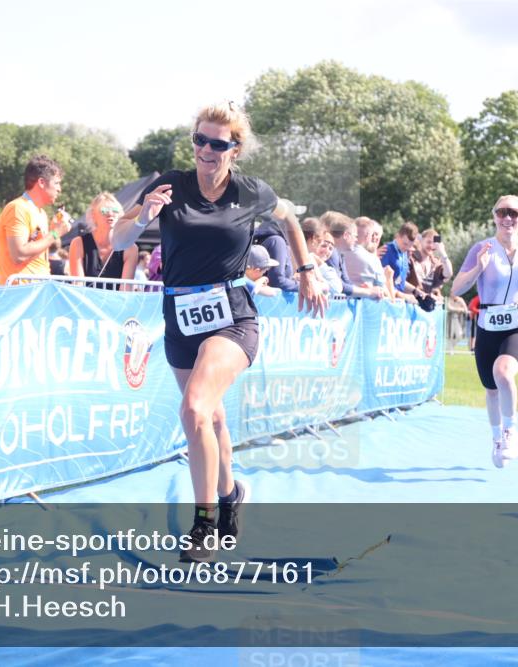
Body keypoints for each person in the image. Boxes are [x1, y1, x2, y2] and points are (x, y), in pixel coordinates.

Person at [111, 102, 326, 562]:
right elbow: (117, 240)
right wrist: (145, 214)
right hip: (180, 318)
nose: (206, 150)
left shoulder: (252, 193)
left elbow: (289, 219)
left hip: (232, 316)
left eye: (217, 144)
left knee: (194, 408)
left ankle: (204, 523)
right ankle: (230, 495)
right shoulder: (168, 185)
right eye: (200, 140)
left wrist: (306, 269)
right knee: (213, 418)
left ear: (235, 149)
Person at [450, 195, 518, 469]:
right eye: (502, 212)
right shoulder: (481, 248)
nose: (507, 218)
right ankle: (497, 438)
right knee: (492, 390)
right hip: (487, 328)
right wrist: (478, 268)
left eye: (514, 213)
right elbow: (456, 288)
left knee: (503, 372)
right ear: (494, 215)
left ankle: (511, 431)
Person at [0, 155, 72, 285]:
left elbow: (37, 250)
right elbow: (19, 255)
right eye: (57, 183)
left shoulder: (41, 213)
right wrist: (55, 233)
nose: (60, 189)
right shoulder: (18, 208)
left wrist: (53, 230)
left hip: (37, 290)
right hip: (20, 293)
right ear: (41, 182)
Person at [68, 193, 138, 290]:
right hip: (85, 301)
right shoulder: (78, 243)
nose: (110, 214)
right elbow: (78, 285)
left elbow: (125, 290)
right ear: (93, 215)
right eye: (104, 211)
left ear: (120, 215)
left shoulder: (130, 248)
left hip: (116, 302)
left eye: (115, 210)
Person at [321, 211, 383, 300]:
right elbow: (339, 286)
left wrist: (363, 290)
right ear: (346, 235)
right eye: (355, 236)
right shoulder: (331, 253)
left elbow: (347, 283)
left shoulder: (339, 254)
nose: (356, 240)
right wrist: (368, 292)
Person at [252, 213, 299, 292]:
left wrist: (293, 279)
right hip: (267, 301)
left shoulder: (271, 239)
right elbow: (277, 281)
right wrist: (302, 286)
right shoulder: (277, 241)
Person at [381, 222, 420, 304]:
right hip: (387, 301)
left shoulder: (404, 253)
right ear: (398, 236)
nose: (407, 248)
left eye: (410, 245)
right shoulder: (386, 250)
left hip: (399, 302)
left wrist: (415, 291)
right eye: (405, 244)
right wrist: (400, 295)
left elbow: (399, 280)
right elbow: (383, 280)